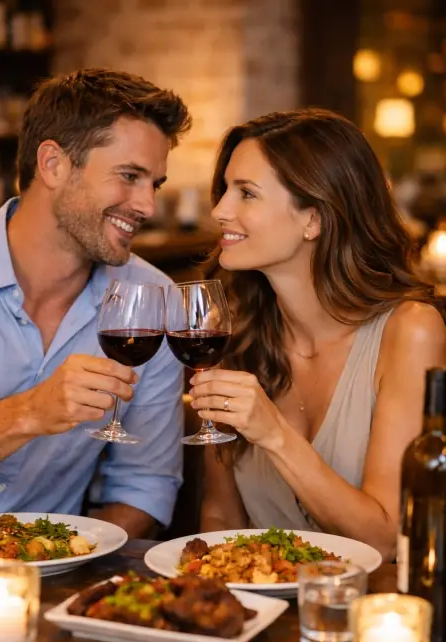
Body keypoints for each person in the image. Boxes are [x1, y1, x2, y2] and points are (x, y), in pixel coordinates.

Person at [0, 68, 192, 537]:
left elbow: (143, 487)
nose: (148, 206)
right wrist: (32, 411)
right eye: (130, 176)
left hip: (51, 587)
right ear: (53, 164)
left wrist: (66, 557)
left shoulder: (155, 301)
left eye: (153, 183)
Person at [190, 109, 446, 562]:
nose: (219, 210)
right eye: (226, 189)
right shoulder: (227, 330)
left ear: (314, 218)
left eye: (246, 193)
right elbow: (219, 515)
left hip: (368, 618)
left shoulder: (410, 331)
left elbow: (385, 541)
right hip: (259, 615)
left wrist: (274, 433)